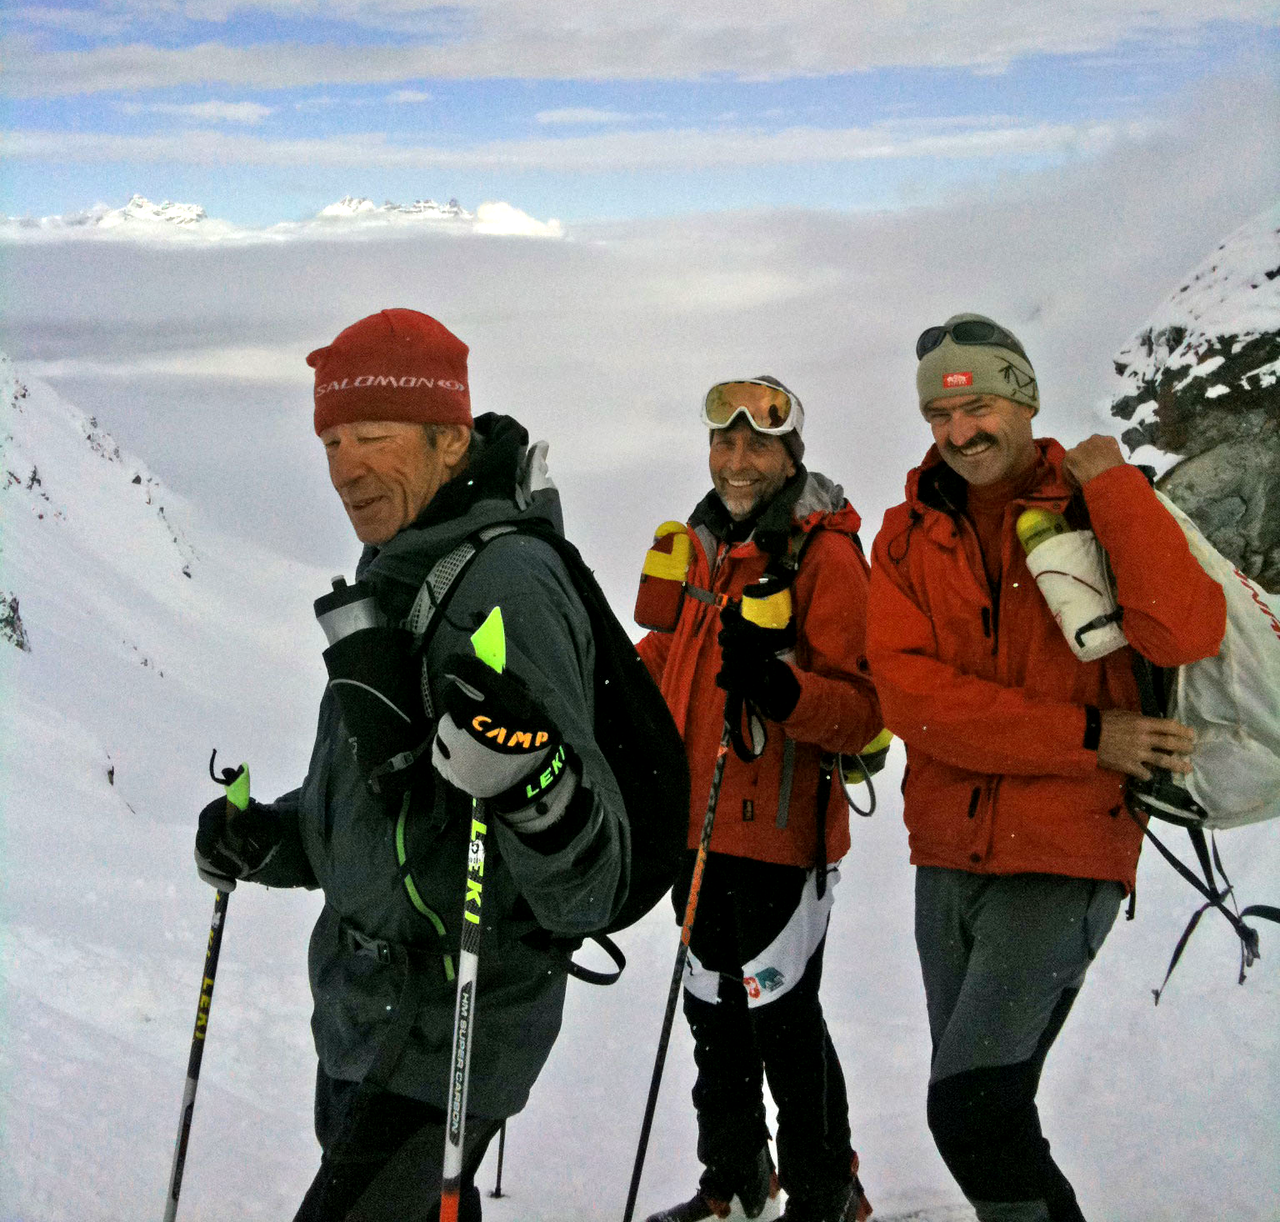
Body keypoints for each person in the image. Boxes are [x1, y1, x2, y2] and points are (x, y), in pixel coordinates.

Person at [194, 308, 629, 1222]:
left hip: (452, 1024)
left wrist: (529, 780)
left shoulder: (508, 583)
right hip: (364, 1013)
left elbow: (590, 884)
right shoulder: (393, 559)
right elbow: (376, 808)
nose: (346, 466)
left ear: (449, 439)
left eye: (374, 436)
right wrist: (268, 838)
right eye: (333, 438)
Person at [865, 314, 1227, 1222]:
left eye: (978, 406)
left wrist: (1115, 488)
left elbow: (1185, 630)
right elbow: (914, 701)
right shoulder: (905, 535)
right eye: (940, 417)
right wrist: (1083, 734)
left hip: (1067, 848)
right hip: (948, 854)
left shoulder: (1094, 501)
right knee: (989, 1107)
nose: (960, 434)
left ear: (1022, 399)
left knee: (971, 1107)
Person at [636, 377, 882, 1222]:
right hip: (697, 829)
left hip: (783, 834)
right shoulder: (703, 545)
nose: (737, 462)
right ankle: (736, 1179)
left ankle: (826, 1192)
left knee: (784, 1023)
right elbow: (664, 655)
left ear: (788, 457)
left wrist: (782, 690)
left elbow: (861, 709)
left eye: (758, 447)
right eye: (724, 443)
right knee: (713, 1017)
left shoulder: (826, 554)